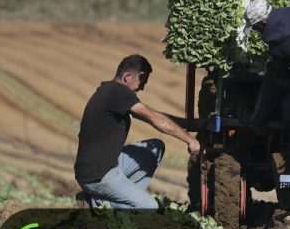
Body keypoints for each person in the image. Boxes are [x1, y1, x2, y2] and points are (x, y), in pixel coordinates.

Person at [74, 54, 201, 209]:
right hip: (97, 175)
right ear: (127, 76)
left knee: (156, 147)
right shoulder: (117, 92)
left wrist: (191, 124)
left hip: (108, 164)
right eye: (141, 82)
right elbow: (155, 119)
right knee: (150, 208)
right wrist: (190, 139)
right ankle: (96, 202)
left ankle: (120, 199)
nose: (142, 88)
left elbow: (155, 115)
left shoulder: (112, 93)